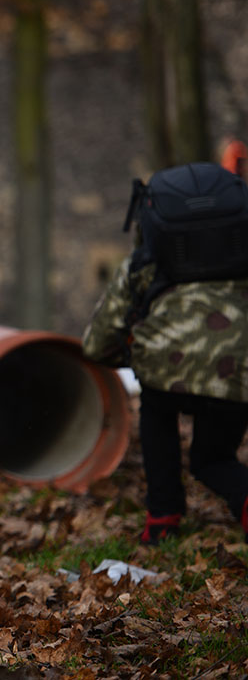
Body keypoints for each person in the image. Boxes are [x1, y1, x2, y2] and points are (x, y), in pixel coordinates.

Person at [82, 173, 248, 546]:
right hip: (238, 374)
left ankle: (162, 518)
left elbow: (98, 342)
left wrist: (128, 354)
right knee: (212, 458)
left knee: (157, 410)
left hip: (165, 373)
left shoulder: (143, 264)